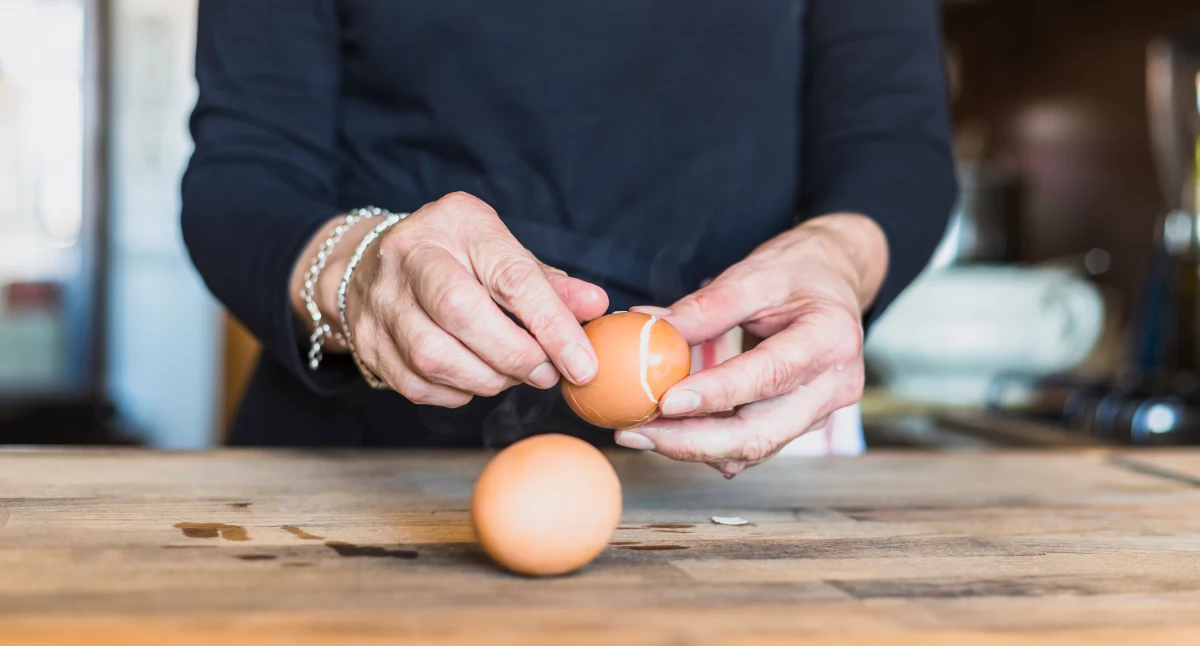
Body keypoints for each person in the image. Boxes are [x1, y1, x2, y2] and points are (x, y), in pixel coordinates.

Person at [182, 0, 957, 476]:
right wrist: (359, 272)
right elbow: (242, 176)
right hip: (363, 474)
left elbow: (896, 148)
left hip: (735, 478)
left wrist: (840, 256)